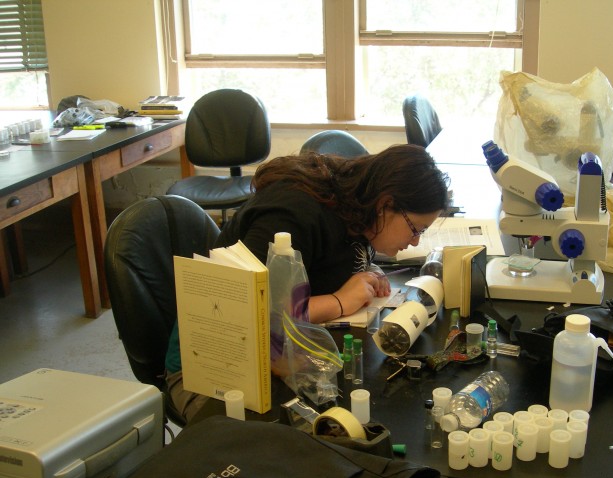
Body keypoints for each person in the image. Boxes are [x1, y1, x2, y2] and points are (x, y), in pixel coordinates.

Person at [165, 143, 450, 421]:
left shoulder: (357, 211)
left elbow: (323, 267)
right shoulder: (291, 215)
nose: (415, 242)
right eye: (416, 229)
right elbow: (249, 315)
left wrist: (367, 271)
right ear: (385, 204)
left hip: (282, 355)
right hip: (213, 369)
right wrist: (338, 302)